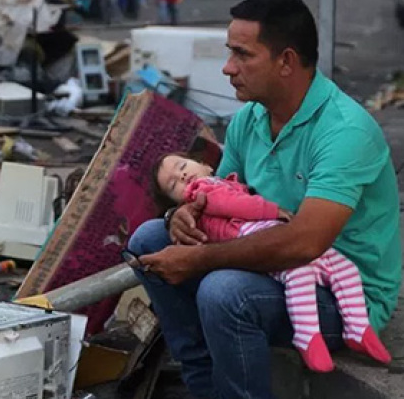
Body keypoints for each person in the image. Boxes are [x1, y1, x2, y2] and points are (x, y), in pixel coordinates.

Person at [128, 0, 401, 399]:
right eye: (229, 53)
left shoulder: (346, 132)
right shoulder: (248, 119)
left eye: (242, 54)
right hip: (274, 267)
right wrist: (180, 214)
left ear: (286, 61)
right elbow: (216, 198)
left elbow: (305, 243)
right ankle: (206, 389)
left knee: (223, 291)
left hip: (339, 293)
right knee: (149, 238)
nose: (227, 67)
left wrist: (199, 259)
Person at [149, 154, 391, 373]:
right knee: (297, 272)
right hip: (251, 234)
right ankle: (307, 336)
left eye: (182, 166)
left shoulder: (220, 181)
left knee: (344, 268)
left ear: (206, 164)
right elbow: (236, 205)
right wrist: (274, 210)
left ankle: (358, 328)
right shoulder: (204, 189)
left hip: (275, 235)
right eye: (173, 184)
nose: (182, 176)